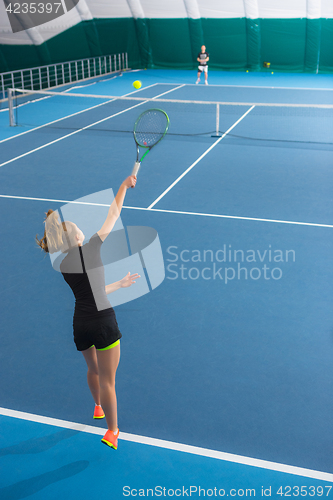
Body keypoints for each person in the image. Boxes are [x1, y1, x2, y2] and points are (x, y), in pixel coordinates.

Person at [36, 175, 139, 450]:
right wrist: (123, 187)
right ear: (78, 237)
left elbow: (93, 290)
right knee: (109, 381)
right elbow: (114, 213)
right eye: (78, 228)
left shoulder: (64, 265)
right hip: (104, 322)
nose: (82, 229)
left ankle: (96, 407)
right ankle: (113, 431)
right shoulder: (93, 245)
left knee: (93, 369)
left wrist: (120, 283)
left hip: (80, 324)